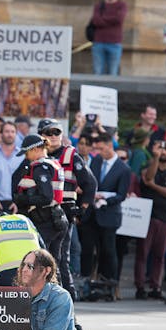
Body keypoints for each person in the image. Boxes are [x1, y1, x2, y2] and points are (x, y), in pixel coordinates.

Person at [40, 119, 96, 300]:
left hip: (63, 213)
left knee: (61, 258)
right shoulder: (37, 154)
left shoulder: (70, 154)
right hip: (40, 214)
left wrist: (83, 208)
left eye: (57, 132)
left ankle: (67, 299)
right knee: (41, 256)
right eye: (49, 133)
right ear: (41, 135)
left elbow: (90, 183)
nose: (53, 136)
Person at [79, 132, 131, 286]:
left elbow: (122, 195)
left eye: (101, 149)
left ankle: (109, 282)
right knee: (87, 248)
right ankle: (85, 279)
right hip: (92, 214)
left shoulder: (123, 169)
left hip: (109, 214)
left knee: (108, 250)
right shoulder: (95, 162)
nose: (98, 152)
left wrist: (106, 200)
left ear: (110, 146)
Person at [12, 134, 68, 265]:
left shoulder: (39, 167)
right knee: (55, 264)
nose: (26, 157)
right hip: (57, 217)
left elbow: (46, 197)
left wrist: (23, 199)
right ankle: (59, 286)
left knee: (41, 264)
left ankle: (47, 286)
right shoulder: (54, 163)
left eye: (27, 152)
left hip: (45, 221)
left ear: (35, 149)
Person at [135, 140, 166, 300]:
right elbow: (149, 177)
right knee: (142, 253)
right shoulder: (148, 166)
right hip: (147, 217)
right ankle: (140, 286)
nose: (163, 151)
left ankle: (156, 286)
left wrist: (154, 187)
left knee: (160, 255)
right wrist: (155, 157)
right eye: (161, 148)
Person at [90, 0, 127, 75]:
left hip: (114, 43)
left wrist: (103, 19)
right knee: (97, 72)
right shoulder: (99, 5)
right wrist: (111, 19)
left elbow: (119, 19)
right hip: (98, 42)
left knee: (113, 73)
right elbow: (96, 21)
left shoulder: (122, 5)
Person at [0, 122, 23, 212]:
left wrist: (19, 202)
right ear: (1, 133)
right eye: (7, 131)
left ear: (16, 134)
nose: (10, 134)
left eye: (12, 132)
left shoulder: (22, 156)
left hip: (19, 203)